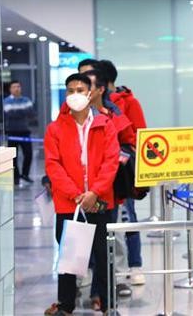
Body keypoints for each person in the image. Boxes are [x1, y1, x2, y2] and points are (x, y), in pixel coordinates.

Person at [44, 73, 119, 316]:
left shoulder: (105, 125)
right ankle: (65, 306)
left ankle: (108, 304)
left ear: (90, 93)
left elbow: (111, 161)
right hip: (69, 204)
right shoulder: (55, 128)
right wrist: (77, 195)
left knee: (102, 253)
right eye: (70, 90)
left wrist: (94, 192)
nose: (75, 94)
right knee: (69, 257)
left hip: (99, 202)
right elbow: (53, 166)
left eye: (80, 89)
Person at [83, 69, 138, 309]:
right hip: (77, 190)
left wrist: (115, 159)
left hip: (108, 188)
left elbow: (129, 143)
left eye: (88, 84)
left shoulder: (114, 113)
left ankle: (101, 292)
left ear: (101, 89)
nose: (82, 89)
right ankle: (81, 287)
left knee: (104, 241)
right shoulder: (71, 115)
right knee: (83, 239)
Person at [96, 59, 147, 286]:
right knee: (106, 226)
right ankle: (102, 272)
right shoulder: (92, 105)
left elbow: (139, 136)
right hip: (100, 176)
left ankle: (135, 265)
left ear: (104, 83)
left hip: (122, 173)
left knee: (128, 219)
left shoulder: (126, 103)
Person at [3, 80, 36, 185]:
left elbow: (31, 113)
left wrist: (16, 111)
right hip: (11, 132)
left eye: (18, 86)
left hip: (25, 131)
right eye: (14, 87)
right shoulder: (6, 101)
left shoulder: (26, 100)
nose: (16, 89)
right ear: (10, 89)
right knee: (13, 156)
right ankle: (16, 177)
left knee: (29, 154)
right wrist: (22, 112)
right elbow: (10, 114)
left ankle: (25, 175)